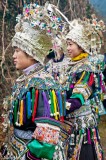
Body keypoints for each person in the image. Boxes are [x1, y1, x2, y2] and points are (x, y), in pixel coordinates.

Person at [0, 3, 72, 160]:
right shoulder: (26, 80)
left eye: (17, 50)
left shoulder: (44, 85)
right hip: (16, 148)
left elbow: (47, 138)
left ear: (31, 54)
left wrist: (30, 156)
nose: (13, 55)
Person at [63, 18, 105, 160]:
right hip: (69, 124)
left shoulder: (86, 69)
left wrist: (56, 107)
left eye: (70, 44)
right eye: (67, 44)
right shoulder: (71, 66)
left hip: (81, 127)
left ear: (81, 46)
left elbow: (78, 98)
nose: (67, 48)